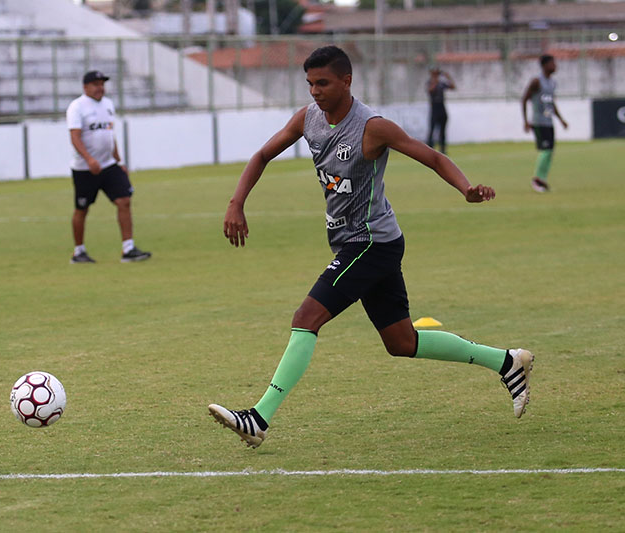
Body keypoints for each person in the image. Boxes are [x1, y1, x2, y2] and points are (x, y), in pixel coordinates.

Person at [208, 46, 533, 449]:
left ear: (346, 81)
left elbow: (430, 156)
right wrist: (236, 202)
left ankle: (258, 417)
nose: (315, 91)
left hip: (371, 243)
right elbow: (262, 155)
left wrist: (466, 188)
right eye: (309, 83)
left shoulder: (371, 127)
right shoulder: (308, 119)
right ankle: (507, 362)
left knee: (306, 316)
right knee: (402, 342)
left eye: (323, 83)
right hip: (363, 242)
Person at [66, 70, 151, 263]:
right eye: (95, 84)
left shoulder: (108, 104)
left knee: (124, 200)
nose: (100, 88)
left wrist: (119, 161)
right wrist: (89, 160)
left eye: (102, 84)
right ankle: (78, 252)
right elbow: (75, 137)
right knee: (82, 209)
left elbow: (109, 135)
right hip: (85, 169)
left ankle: (128, 248)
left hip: (108, 165)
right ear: (85, 87)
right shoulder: (77, 107)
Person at [521, 54, 568, 193]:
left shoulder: (553, 83)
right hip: (538, 121)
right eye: (553, 63)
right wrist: (525, 121)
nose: (555, 66)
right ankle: (537, 179)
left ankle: (542, 179)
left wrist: (560, 120)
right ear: (545, 65)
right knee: (545, 150)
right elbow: (524, 99)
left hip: (548, 121)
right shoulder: (537, 81)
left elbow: (551, 103)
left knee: (550, 151)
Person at [426, 67, 455, 154]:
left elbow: (453, 87)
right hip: (434, 108)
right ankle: (430, 149)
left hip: (441, 107)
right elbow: (430, 90)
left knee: (443, 131)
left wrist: (448, 77)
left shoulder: (441, 83)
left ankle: (443, 149)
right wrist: (435, 81)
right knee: (432, 130)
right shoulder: (429, 83)